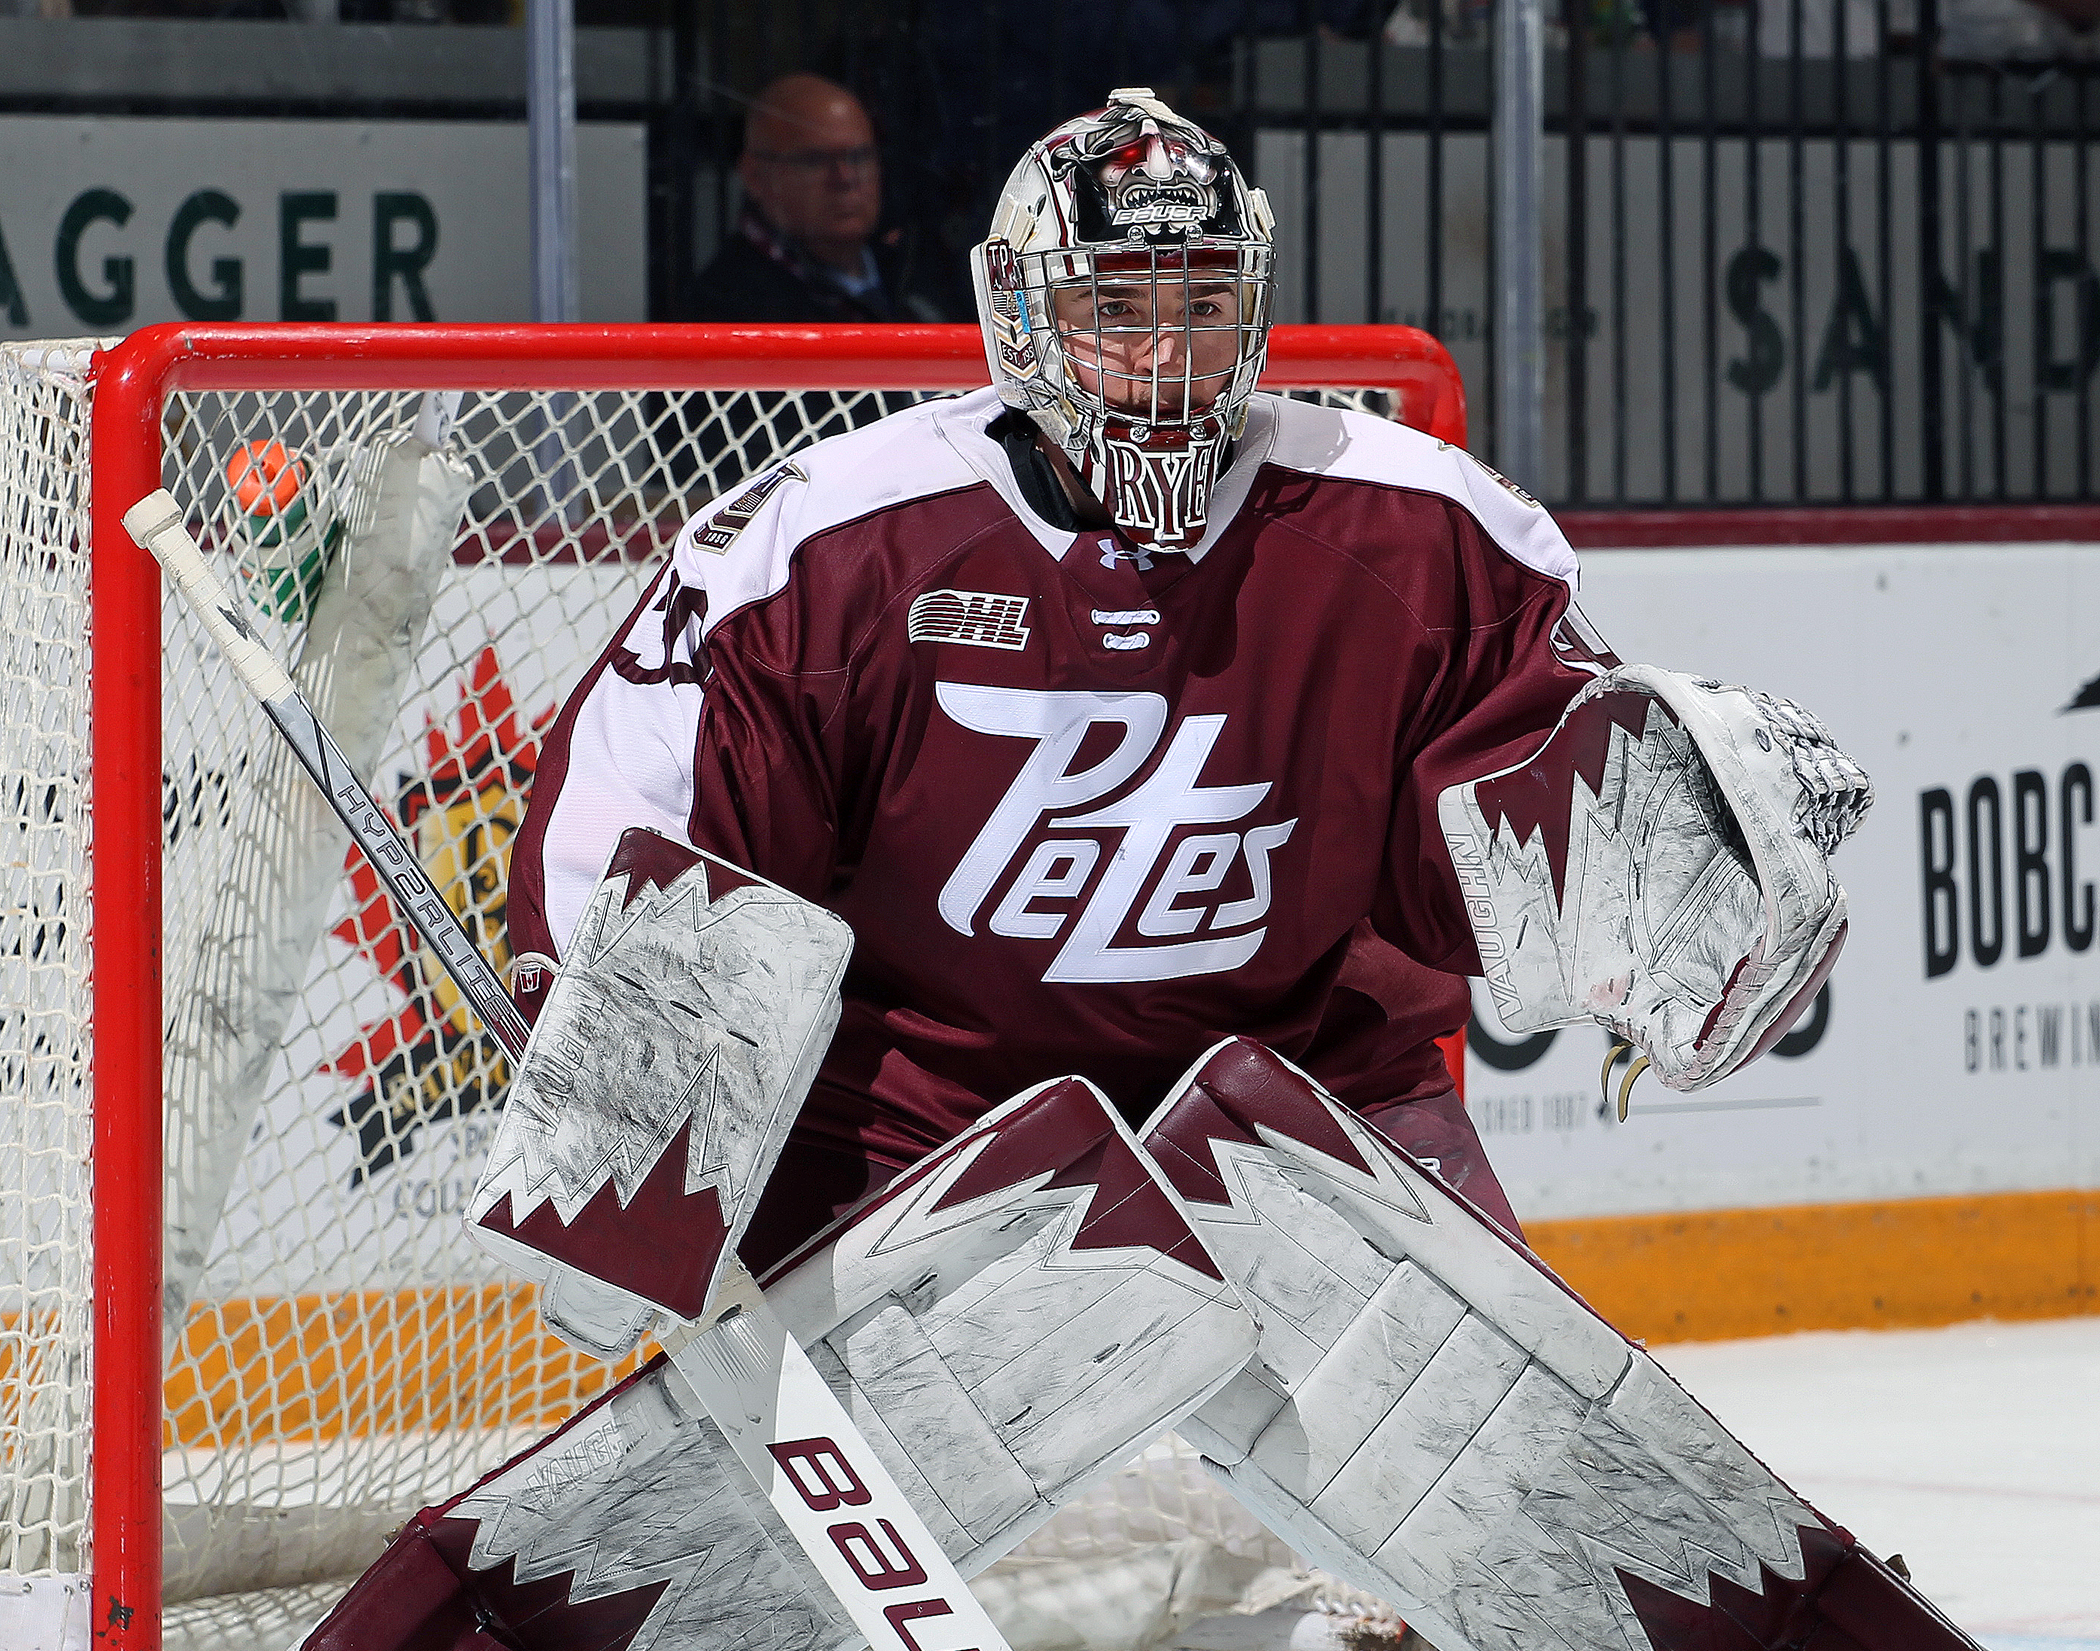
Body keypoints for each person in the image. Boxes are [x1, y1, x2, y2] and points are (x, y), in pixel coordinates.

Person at [509, 86, 1868, 1276]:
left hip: (1295, 1096)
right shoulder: (829, 545)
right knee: (790, 1508)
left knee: (1509, 1447)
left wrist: (1663, 851)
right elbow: (654, 811)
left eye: (1203, 305)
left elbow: (1501, 812)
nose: (1165, 356)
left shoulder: (1418, 526)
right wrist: (614, 1083)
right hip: (914, 1126)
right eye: (1116, 311)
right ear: (1025, 318)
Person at [690, 73, 946, 324]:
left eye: (860, 156)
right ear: (755, 176)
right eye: (815, 160)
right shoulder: (728, 309)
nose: (845, 178)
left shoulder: (923, 266)